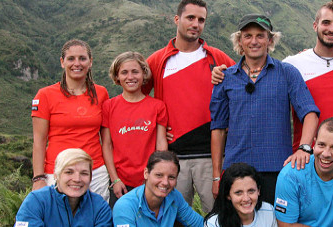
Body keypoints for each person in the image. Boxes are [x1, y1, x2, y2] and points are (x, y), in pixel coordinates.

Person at [212, 0, 333, 166]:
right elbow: (220, 125)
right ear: (315, 25)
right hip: (305, 157)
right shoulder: (294, 64)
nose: (332, 29)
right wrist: (220, 73)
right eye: (326, 23)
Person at [210, 14, 320, 205]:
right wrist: (216, 176)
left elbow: (309, 112)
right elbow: (218, 129)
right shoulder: (225, 78)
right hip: (237, 171)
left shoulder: (287, 73)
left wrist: (304, 148)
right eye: (248, 36)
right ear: (239, 41)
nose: (254, 41)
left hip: (277, 170)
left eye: (260, 35)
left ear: (270, 40)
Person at [143, 0, 235, 213]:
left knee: (218, 217)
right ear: (177, 19)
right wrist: (155, 130)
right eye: (190, 18)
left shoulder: (216, 57)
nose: (196, 24)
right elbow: (138, 100)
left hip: (211, 157)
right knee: (175, 218)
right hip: (174, 158)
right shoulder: (157, 60)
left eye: (201, 20)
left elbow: (244, 85)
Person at [30, 39, 110, 201]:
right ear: (62, 62)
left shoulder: (101, 93)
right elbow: (39, 141)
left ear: (90, 62)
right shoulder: (45, 95)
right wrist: (38, 178)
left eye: (82, 58)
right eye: (71, 59)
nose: (77, 63)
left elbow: (107, 139)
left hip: (95, 172)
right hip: (58, 171)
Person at [101, 51, 168, 206]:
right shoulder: (109, 106)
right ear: (117, 76)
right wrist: (114, 180)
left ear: (144, 74)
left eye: (135, 72)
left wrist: (157, 176)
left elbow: (161, 143)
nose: (130, 77)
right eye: (124, 72)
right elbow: (107, 145)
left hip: (149, 180)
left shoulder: (157, 106)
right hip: (121, 182)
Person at [15, 148, 112, 227]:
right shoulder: (36, 201)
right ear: (56, 175)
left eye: (84, 173)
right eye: (69, 172)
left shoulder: (99, 206)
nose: (77, 179)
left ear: (90, 178)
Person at [112, 151, 203, 226]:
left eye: (171, 177)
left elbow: (200, 224)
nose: (165, 182)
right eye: (159, 175)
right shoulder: (125, 206)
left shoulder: (174, 196)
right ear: (146, 173)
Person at [204, 163, 277, 227]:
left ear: (258, 191)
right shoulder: (214, 223)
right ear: (228, 195)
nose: (246, 198)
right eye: (238, 193)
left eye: (251, 191)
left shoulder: (269, 211)